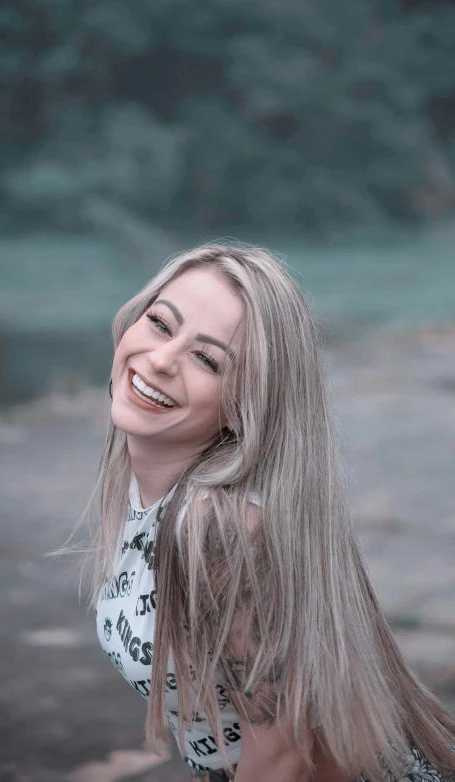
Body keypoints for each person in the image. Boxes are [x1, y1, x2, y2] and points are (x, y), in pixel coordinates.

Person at [90, 243, 455, 781]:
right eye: (162, 325)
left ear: (244, 404)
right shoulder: (153, 493)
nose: (163, 359)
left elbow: (284, 750)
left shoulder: (218, 527)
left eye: (207, 359)